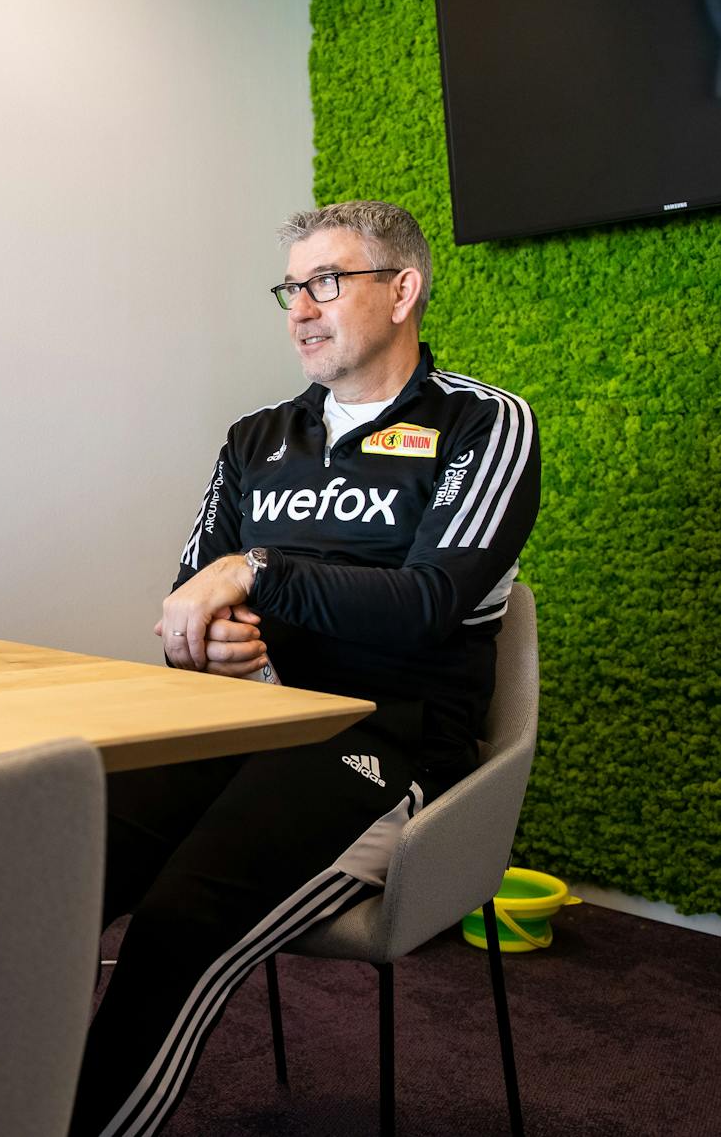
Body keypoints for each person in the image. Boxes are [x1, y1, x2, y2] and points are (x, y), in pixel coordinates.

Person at [69, 200, 540, 1137]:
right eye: (292, 287)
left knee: (177, 927)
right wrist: (199, 641)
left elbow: (427, 603)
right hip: (249, 724)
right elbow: (188, 599)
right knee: (58, 876)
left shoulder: (482, 425)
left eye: (327, 281)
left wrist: (260, 573)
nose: (300, 308)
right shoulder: (257, 438)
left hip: (388, 740)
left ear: (403, 290)